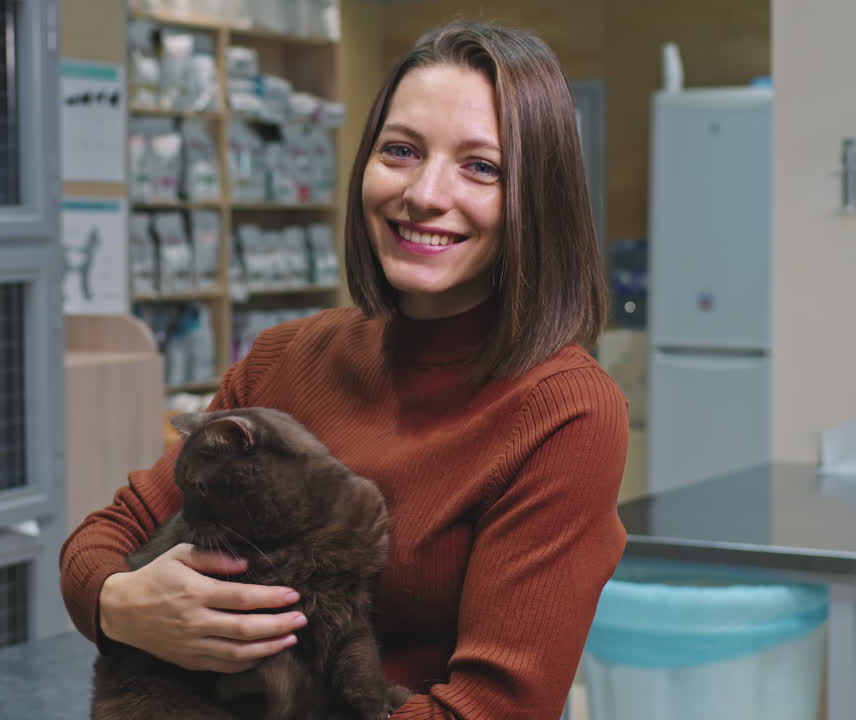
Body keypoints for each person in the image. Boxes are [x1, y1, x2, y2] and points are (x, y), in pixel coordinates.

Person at [61, 21, 627, 720]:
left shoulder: (564, 411)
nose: (424, 193)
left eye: (481, 166)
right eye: (401, 151)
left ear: (535, 200)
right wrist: (121, 605)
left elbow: (489, 708)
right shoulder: (284, 360)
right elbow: (105, 536)